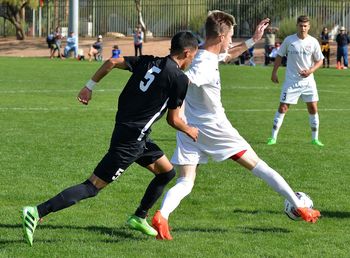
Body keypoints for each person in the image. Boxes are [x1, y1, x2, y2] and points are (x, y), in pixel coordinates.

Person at [151, 11, 321, 240]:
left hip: (188, 128)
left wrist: (253, 39)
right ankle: (299, 205)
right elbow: (184, 80)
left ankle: (162, 215)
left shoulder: (203, 54)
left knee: (186, 181)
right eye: (230, 35)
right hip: (215, 129)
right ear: (221, 36)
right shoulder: (204, 65)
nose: (231, 40)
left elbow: (227, 55)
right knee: (260, 167)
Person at [21, 31, 199, 246]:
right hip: (132, 140)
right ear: (187, 52)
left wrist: (89, 86)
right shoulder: (180, 79)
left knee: (166, 172)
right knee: (92, 186)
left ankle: (139, 217)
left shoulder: (150, 61)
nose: (192, 61)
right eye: (193, 56)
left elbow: (112, 61)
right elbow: (174, 120)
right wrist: (190, 129)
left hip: (132, 132)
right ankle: (37, 211)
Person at [267, 15, 324, 147]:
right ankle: (273, 137)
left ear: (309, 27)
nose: (303, 28)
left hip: (308, 82)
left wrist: (311, 70)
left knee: (313, 107)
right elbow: (279, 55)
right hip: (291, 82)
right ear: (297, 26)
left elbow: (320, 60)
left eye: (305, 26)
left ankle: (315, 139)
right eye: (300, 25)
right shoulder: (289, 40)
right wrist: (274, 72)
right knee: (283, 107)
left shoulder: (313, 42)